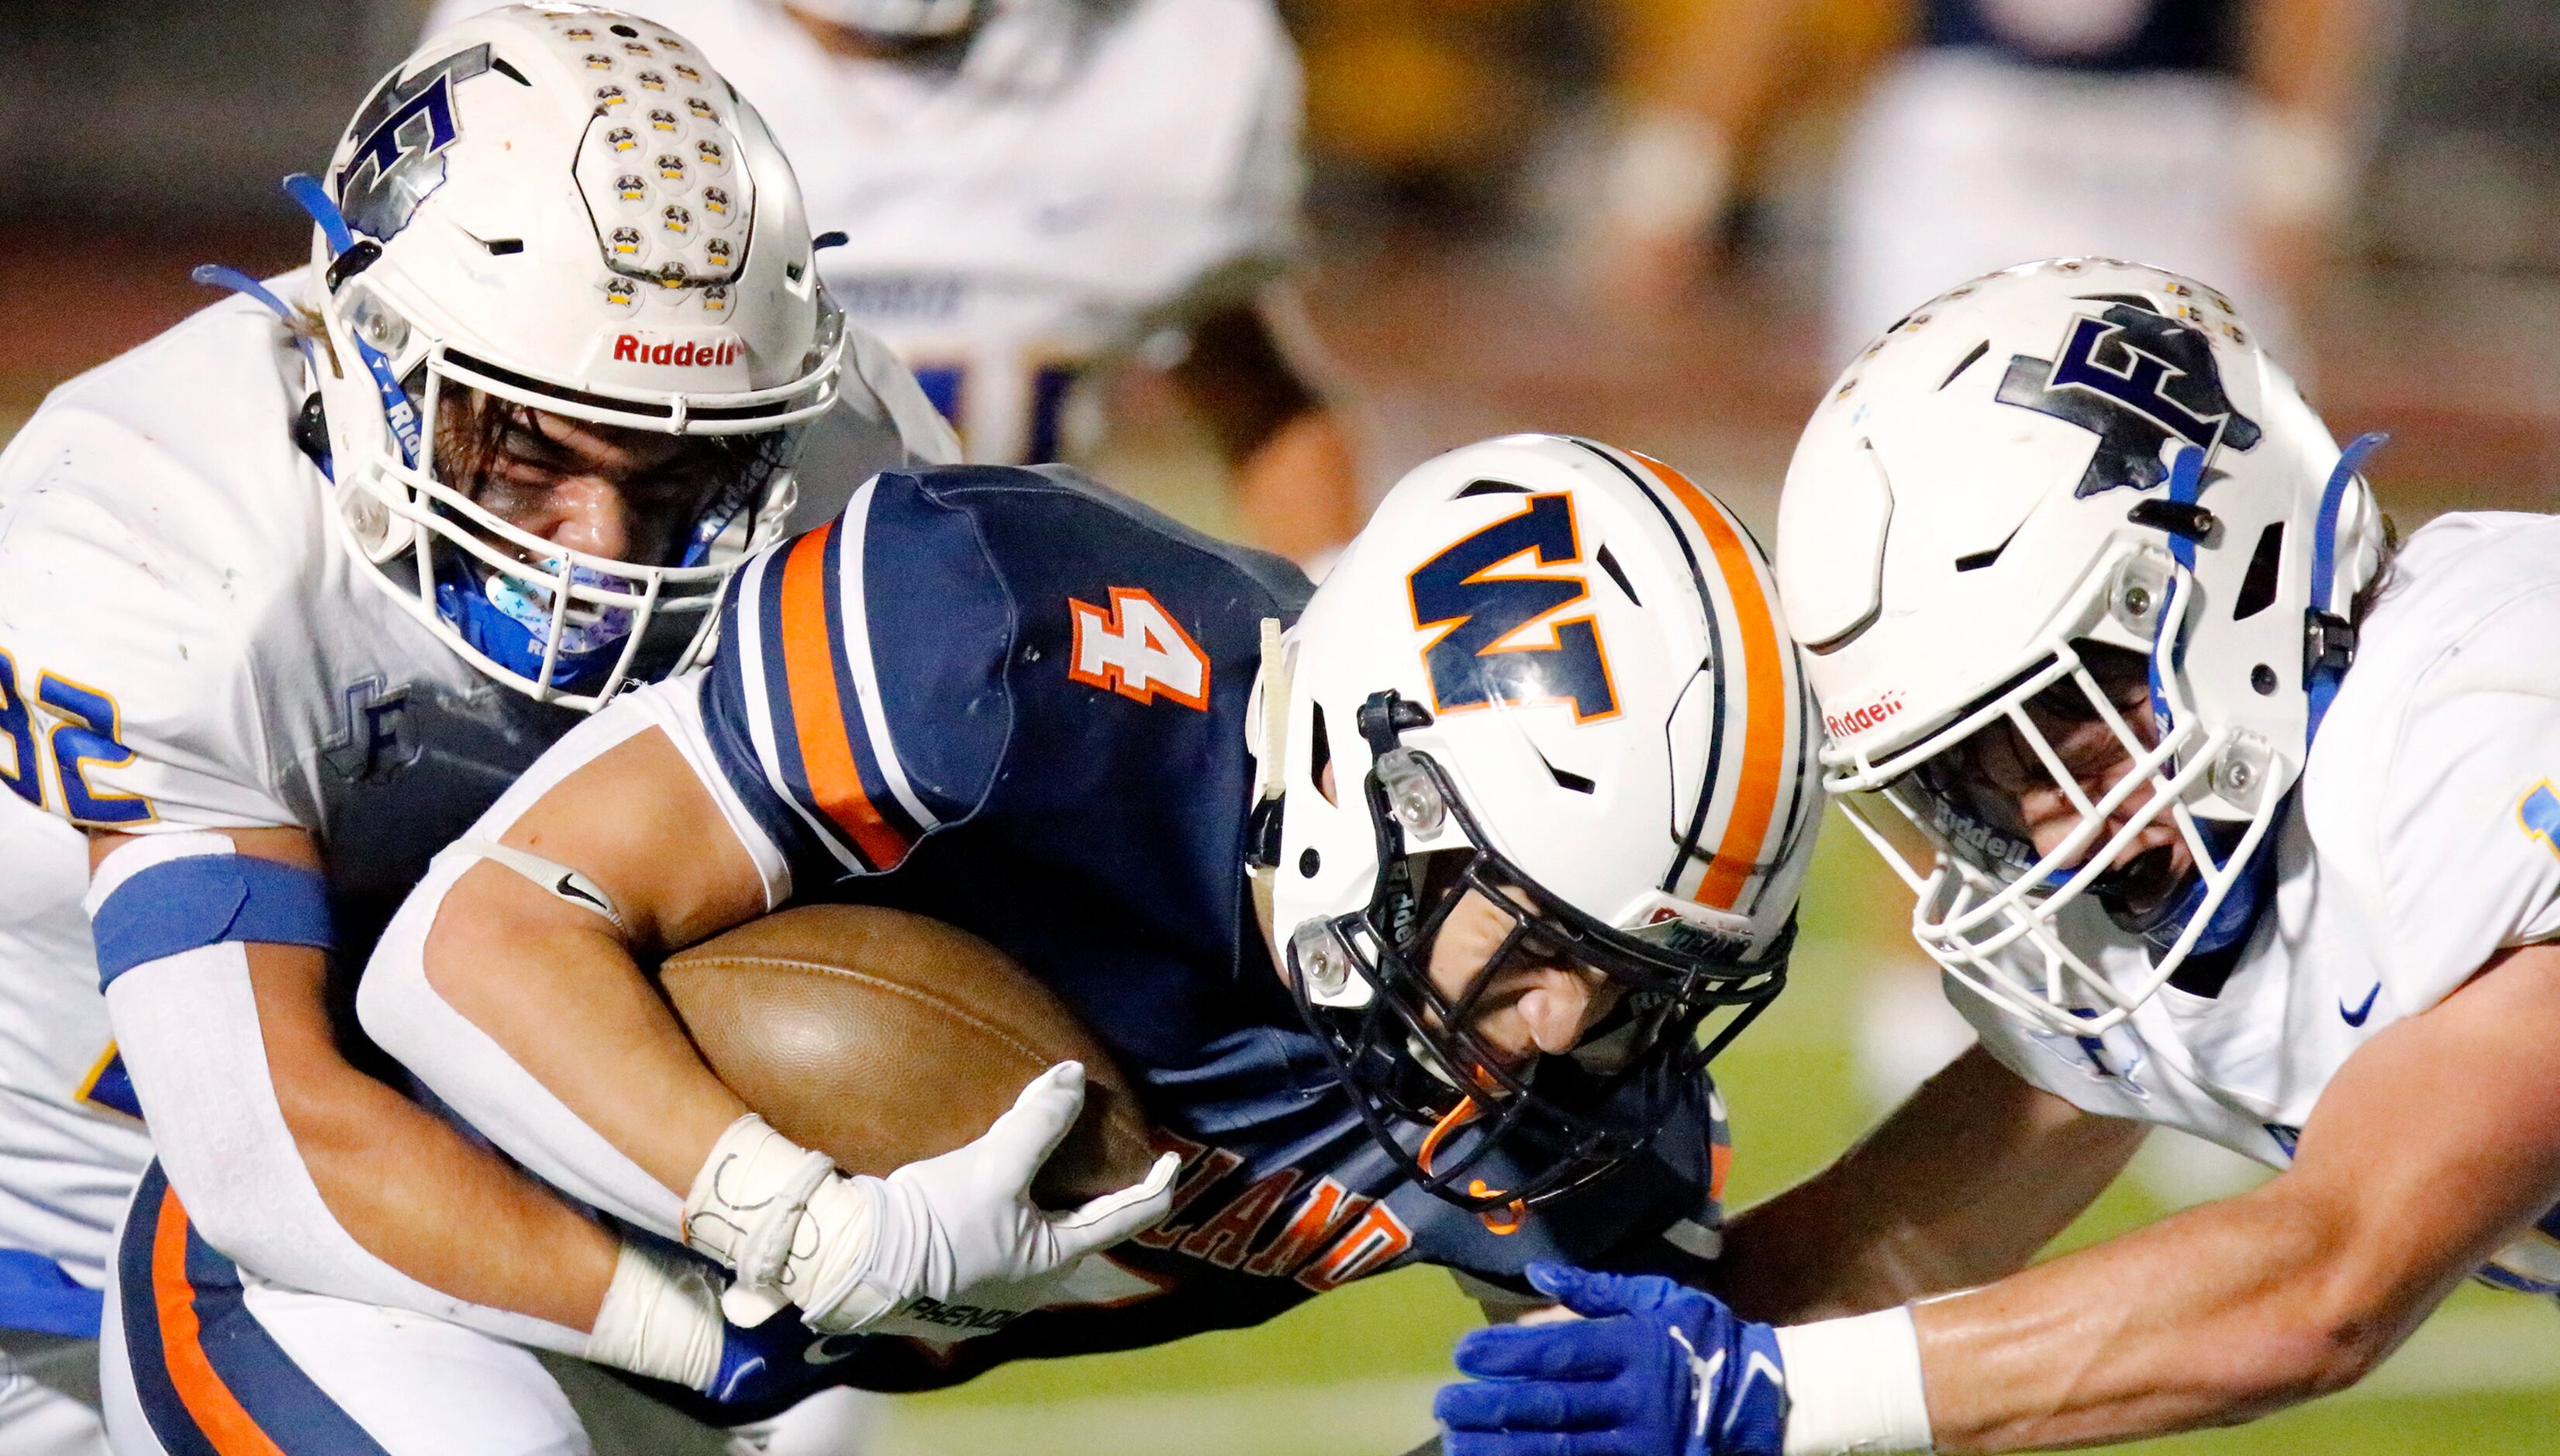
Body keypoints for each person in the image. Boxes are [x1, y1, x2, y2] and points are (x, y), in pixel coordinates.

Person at [346, 430, 1821, 1407]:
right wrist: (807, 1225)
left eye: (1643, 975)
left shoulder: (1579, 1098)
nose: (1567, 1023)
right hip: (405, 1268)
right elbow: (467, 950)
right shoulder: (1010, 662)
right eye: (1541, 936)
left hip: (714, 1403)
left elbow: (1634, 1417)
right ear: (1366, 790)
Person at [0, 8, 960, 1451]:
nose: (609, 548)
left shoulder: (850, 475)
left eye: (688, 466)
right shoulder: (160, 529)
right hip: (76, 1215)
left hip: (484, 1186)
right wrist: (707, 1327)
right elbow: (269, 1144)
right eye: (531, 448)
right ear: (372, 347)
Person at [1432, 257, 2560, 1454]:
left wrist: (1769, 1399)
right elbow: (1892, 1252)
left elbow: (2325, 1283)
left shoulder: (2485, 712)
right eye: (1973, 771)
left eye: (2068, 716)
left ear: (2239, 568)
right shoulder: (2177, 860)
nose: (2057, 823)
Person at [423, 0, 1365, 570]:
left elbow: (1256, 392)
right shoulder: (559, 39)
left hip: (987, 644)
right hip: (642, 607)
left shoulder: (1176, 63)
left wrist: (1316, 611)